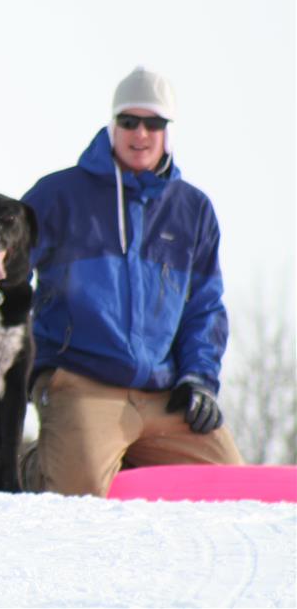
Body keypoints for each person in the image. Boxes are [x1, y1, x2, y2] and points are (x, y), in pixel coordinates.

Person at [19, 66, 244, 497]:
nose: (140, 133)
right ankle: (40, 463)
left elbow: (204, 307)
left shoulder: (193, 211)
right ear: (112, 125)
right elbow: (7, 277)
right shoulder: (59, 196)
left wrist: (199, 379)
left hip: (162, 394)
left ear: (168, 131)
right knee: (77, 497)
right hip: (82, 383)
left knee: (230, 489)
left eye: (153, 123)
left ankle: (125, 454)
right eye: (129, 121)